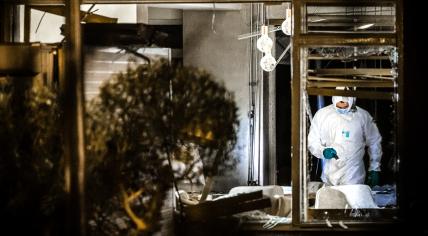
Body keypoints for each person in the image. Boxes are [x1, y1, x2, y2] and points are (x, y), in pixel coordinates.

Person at [308, 92, 382, 187]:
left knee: (353, 200)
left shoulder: (362, 116)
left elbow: (374, 141)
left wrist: (374, 167)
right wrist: (323, 151)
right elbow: (312, 141)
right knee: (331, 200)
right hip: (330, 174)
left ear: (351, 101)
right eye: (339, 106)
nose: (342, 109)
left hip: (354, 174)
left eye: (345, 106)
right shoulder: (322, 115)